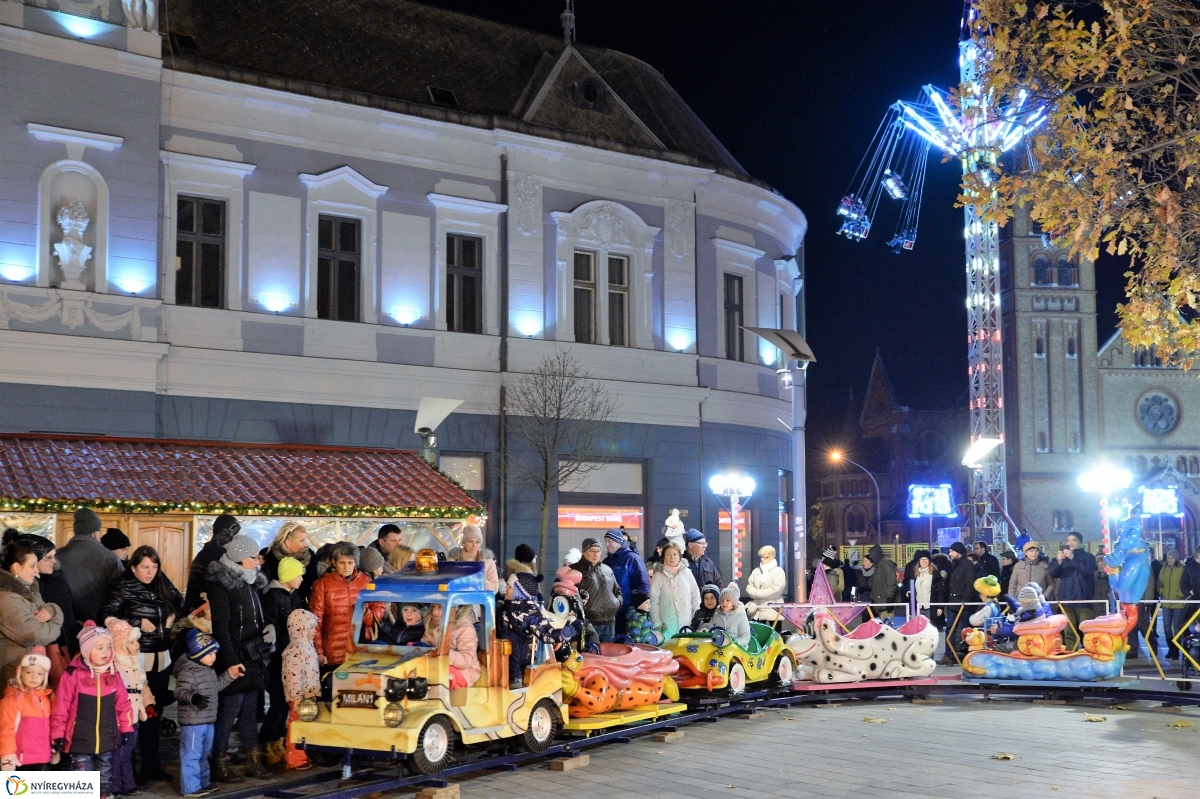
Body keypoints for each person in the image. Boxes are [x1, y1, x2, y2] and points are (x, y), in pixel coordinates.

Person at [98, 545, 182, 784]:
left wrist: (172, 615)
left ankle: (151, 765)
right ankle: (128, 768)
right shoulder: (121, 585)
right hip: (135, 658)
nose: (150, 572)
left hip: (161, 656)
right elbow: (107, 614)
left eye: (154, 567)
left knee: (155, 712)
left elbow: (179, 600)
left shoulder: (161, 581)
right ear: (133, 567)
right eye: (145, 567)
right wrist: (136, 621)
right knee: (132, 714)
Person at [205, 534, 272, 783]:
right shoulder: (222, 584)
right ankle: (219, 762)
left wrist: (269, 628)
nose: (257, 562)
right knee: (229, 710)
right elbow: (221, 627)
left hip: (253, 655)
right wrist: (232, 661)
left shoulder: (250, 581)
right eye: (253, 557)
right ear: (239, 557)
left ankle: (254, 760)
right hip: (235, 657)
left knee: (249, 710)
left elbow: (259, 616)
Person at [51, 622, 135, 797]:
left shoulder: (113, 673)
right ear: (87, 649)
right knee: (83, 781)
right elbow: (61, 707)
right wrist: (57, 735)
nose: (105, 652)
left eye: (108, 647)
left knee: (105, 777)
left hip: (106, 738)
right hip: (79, 740)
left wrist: (126, 728)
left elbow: (123, 704)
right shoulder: (73, 675)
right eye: (100, 648)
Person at [173, 630, 236, 798]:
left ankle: (203, 782)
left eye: (214, 653)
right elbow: (180, 691)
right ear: (198, 652)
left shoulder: (208, 670)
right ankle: (190, 787)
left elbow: (216, 686)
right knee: (192, 755)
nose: (214, 657)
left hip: (207, 720)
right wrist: (193, 697)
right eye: (210, 653)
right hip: (193, 721)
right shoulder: (188, 672)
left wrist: (229, 675)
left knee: (203, 753)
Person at [259, 557, 306, 766]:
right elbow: (272, 624)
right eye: (298, 574)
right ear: (287, 576)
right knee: (278, 699)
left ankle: (278, 738)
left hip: (292, 657)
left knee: (287, 700)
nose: (302, 579)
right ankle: (267, 740)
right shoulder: (273, 597)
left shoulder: (294, 596)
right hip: (278, 657)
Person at [0, 534, 64, 685]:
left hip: (28, 669)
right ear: (16, 567)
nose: (36, 570)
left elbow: (53, 611)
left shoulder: (29, 590)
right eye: (32, 565)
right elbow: (34, 634)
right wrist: (55, 623)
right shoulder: (7, 598)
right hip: (13, 672)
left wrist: (52, 610)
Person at [309, 543, 382, 672]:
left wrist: (365, 613)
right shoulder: (321, 584)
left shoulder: (366, 581)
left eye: (350, 562)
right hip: (332, 652)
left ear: (355, 563)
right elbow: (315, 621)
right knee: (333, 689)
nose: (346, 567)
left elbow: (378, 610)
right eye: (342, 562)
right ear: (333, 562)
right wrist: (319, 651)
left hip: (362, 649)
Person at [18, 533, 77, 675]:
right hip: (37, 648)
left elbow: (69, 611)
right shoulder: (25, 586)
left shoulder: (58, 578)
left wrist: (51, 611)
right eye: (48, 557)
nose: (54, 561)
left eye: (54, 556)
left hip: (64, 644)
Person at [106, 620, 152, 795]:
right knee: (117, 752)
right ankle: (115, 786)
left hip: (135, 712)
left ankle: (128, 783)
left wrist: (148, 702)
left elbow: (143, 685)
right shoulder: (114, 665)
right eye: (131, 642)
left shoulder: (136, 663)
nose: (137, 645)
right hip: (119, 715)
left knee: (128, 750)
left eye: (136, 641)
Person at [56, 509, 123, 626]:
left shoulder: (56, 556)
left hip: (62, 627)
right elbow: (121, 592)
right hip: (98, 629)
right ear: (95, 533)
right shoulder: (109, 557)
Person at [0, 646, 56, 771]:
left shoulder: (46, 699)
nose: (34, 677)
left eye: (40, 673)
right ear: (20, 673)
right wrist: (7, 756)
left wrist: (53, 749)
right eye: (29, 672)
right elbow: (5, 729)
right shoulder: (12, 700)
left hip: (42, 758)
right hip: (20, 761)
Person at [280, 610, 319, 771]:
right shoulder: (294, 651)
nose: (315, 631)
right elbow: (292, 676)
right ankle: (295, 757)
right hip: (300, 698)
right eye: (312, 628)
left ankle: (303, 754)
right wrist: (296, 697)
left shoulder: (307, 647)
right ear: (302, 629)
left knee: (306, 726)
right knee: (297, 725)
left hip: (309, 695)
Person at [1046, 532, 1097, 649]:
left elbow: (1088, 571)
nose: (1070, 543)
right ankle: (1071, 657)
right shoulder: (1063, 558)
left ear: (1080, 542)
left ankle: (1089, 655)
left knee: (1087, 632)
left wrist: (1072, 558)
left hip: (1083, 600)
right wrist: (1059, 562)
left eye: (1074, 540)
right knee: (1069, 632)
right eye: (1068, 540)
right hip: (1066, 601)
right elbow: (1053, 573)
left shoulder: (1088, 557)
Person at [182, 515, 242, 614]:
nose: (238, 537)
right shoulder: (219, 555)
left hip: (201, 607)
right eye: (236, 534)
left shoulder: (208, 551)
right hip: (209, 610)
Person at [570, 538, 621, 643]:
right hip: (588, 622)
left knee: (607, 656)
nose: (596, 554)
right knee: (590, 654)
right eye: (592, 551)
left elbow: (617, 591)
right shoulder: (574, 570)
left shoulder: (607, 569)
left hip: (609, 622)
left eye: (598, 551)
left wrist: (616, 604)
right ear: (584, 552)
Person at [649, 542, 700, 642]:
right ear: (663, 557)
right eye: (668, 554)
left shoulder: (687, 573)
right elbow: (654, 601)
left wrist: (695, 617)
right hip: (666, 626)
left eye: (675, 554)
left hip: (687, 625)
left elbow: (695, 595)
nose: (672, 557)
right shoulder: (658, 576)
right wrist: (657, 623)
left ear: (679, 557)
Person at [603, 530, 650, 637]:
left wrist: (636, 607)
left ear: (619, 542)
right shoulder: (607, 561)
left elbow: (643, 585)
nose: (606, 544)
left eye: (609, 541)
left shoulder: (633, 559)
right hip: (609, 613)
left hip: (627, 612)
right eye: (605, 541)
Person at [260, 522, 317, 601]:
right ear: (288, 543)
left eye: (305, 540)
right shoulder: (269, 558)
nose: (306, 544)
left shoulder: (310, 559)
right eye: (302, 541)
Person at [941, 542, 975, 664]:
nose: (950, 554)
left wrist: (965, 601)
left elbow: (969, 585)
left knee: (964, 631)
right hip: (953, 603)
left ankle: (965, 656)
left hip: (963, 605)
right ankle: (948, 655)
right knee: (950, 629)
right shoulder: (954, 565)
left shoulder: (967, 565)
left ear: (958, 552)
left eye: (952, 551)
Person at [448, 526, 499, 593]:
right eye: (470, 541)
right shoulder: (453, 561)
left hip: (479, 600)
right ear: (464, 543)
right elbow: (446, 584)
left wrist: (478, 579)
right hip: (456, 600)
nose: (474, 545)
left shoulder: (488, 562)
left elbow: (494, 588)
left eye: (477, 542)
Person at [702, 582, 751, 649]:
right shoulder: (717, 615)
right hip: (718, 647)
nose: (724, 603)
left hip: (736, 649)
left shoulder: (741, 616)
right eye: (722, 601)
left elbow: (745, 637)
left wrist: (731, 643)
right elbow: (710, 629)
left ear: (733, 603)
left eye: (728, 600)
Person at [745, 545, 786, 622]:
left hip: (773, 610)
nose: (762, 559)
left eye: (765, 557)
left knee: (775, 633)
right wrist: (757, 594)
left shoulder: (778, 571)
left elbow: (776, 590)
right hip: (757, 610)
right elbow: (749, 587)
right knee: (757, 633)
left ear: (772, 557)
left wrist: (756, 593)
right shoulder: (756, 571)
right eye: (761, 557)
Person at [1159, 549, 1186, 660]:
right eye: (1168, 557)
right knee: (1166, 626)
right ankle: (1171, 648)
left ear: (1176, 559)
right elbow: (1159, 583)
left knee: (1177, 627)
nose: (1169, 559)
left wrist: (1179, 594)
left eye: (1172, 557)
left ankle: (1176, 650)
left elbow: (1185, 583)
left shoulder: (1182, 569)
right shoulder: (1163, 569)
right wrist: (1162, 592)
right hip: (1166, 602)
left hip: (1178, 603)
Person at [908, 550, 945, 626]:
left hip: (930, 608)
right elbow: (910, 586)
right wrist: (908, 591)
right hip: (918, 608)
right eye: (922, 559)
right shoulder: (915, 574)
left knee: (930, 629)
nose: (924, 561)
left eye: (926, 559)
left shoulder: (935, 575)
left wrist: (940, 607)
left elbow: (940, 592)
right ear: (919, 561)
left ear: (929, 561)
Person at [864, 544, 899, 620]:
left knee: (886, 627)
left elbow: (891, 582)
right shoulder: (878, 565)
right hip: (880, 602)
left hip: (885, 602)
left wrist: (889, 598)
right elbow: (876, 583)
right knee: (882, 627)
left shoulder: (886, 564)